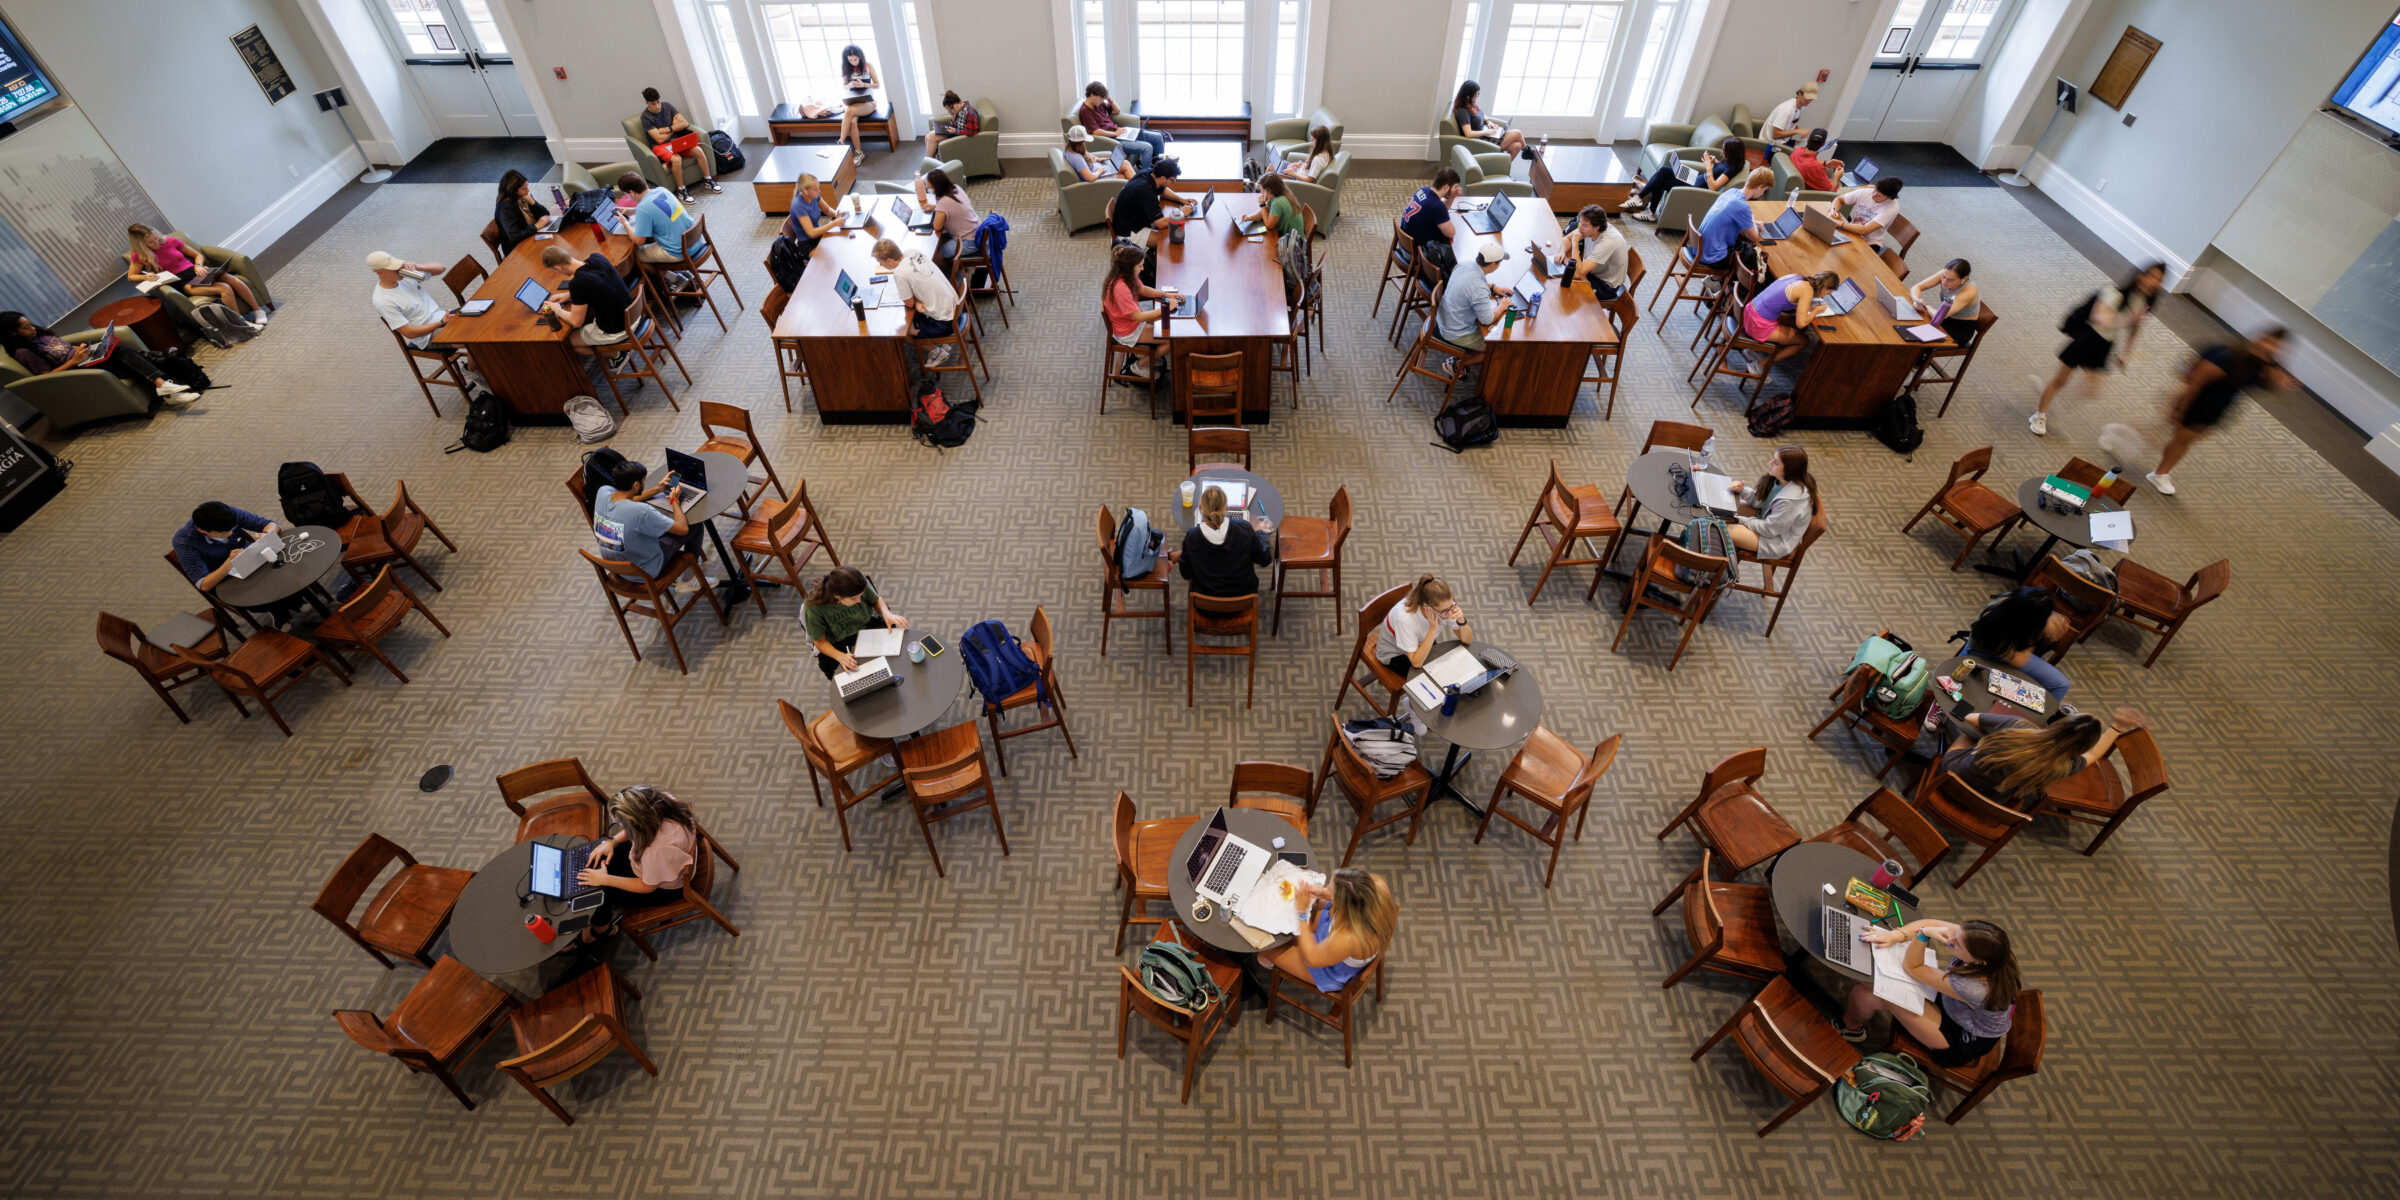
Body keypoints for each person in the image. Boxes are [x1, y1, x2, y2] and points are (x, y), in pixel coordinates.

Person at [1834, 918, 2021, 1067]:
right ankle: (1851, 1025)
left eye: (1957, 944)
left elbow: (1913, 966)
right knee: (1865, 992)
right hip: (1956, 1004)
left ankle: (1850, 1027)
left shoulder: (1972, 988)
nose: (1950, 939)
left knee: (1875, 986)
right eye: (1956, 934)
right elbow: (1932, 921)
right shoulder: (1986, 947)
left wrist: (1923, 935)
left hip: (1960, 1035)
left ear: (1979, 961)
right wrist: (1896, 935)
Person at [2141, 328, 2294, 495]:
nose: (2270, 348)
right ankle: (2159, 473)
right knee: (2181, 440)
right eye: (2268, 342)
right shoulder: (2227, 358)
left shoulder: (2262, 365)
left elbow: (2268, 385)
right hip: (2199, 402)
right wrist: (2180, 409)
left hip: (2218, 407)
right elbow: (2196, 383)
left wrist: (2277, 373)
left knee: (2182, 439)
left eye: (2276, 346)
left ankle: (2149, 451)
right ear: (2258, 338)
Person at [2030, 262, 2164, 436]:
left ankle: (2054, 400)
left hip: (2105, 344)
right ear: (2140, 275)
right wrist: (2129, 319)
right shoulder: (2114, 293)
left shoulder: (2143, 302)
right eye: (2150, 276)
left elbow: (2135, 328)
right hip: (2088, 337)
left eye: (2158, 280)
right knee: (2060, 380)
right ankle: (2039, 415)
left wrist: (2126, 352)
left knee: (2093, 390)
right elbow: (2099, 318)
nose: (2152, 282)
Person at [1935, 707, 2148, 803]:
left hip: (1949, 778)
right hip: (1986, 802)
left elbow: (1971, 718)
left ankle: (1935, 716)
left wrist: (1993, 738)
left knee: (1967, 731)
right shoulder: (2063, 766)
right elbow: (2094, 756)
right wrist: (2117, 727)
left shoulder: (2018, 727)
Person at [575, 785, 700, 938]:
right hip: (658, 862)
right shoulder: (661, 802)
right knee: (599, 858)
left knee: (600, 890)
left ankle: (602, 929)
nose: (619, 826)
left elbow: (647, 887)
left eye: (621, 823)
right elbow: (637, 828)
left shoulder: (655, 851)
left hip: (664, 887)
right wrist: (612, 842)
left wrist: (605, 880)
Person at [1, 311, 193, 405]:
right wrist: (74, 360)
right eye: (26, 327)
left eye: (30, 324)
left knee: (123, 352)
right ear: (13, 333)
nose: (32, 328)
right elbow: (45, 377)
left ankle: (167, 390)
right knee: (125, 353)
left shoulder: (40, 335)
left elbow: (64, 347)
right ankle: (166, 387)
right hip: (79, 371)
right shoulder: (24, 352)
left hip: (85, 358)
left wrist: (80, 348)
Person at [1264, 868, 1397, 996]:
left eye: (1330, 889)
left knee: (1267, 947)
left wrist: (1302, 914)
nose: (1327, 886)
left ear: (1345, 907)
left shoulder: (1348, 938)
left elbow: (1312, 958)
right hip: (1335, 933)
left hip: (1329, 969)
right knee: (1317, 904)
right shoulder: (1377, 887)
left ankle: (1274, 960)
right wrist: (1324, 893)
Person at [126, 225, 266, 323]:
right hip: (183, 283)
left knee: (232, 280)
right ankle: (240, 321)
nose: (157, 242)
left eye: (156, 238)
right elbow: (131, 277)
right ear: (142, 245)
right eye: (151, 242)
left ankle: (258, 310)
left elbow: (197, 255)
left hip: (196, 271)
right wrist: (146, 276)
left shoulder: (170, 241)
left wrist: (198, 265)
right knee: (225, 288)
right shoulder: (139, 256)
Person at [591, 459, 697, 582]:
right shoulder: (640, 511)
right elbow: (683, 529)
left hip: (617, 566)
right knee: (694, 526)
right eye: (643, 481)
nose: (644, 483)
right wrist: (674, 501)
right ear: (636, 485)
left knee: (653, 528)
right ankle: (690, 580)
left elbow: (628, 500)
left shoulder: (603, 492)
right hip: (644, 571)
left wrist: (658, 489)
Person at [1963, 587, 2077, 700]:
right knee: (2059, 685)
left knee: (2062, 684)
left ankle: (2038, 716)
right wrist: (2043, 631)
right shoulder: (1998, 627)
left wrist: (2044, 621)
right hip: (1981, 656)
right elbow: (2020, 660)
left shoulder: (2011, 601)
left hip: (2006, 650)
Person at [804, 566, 909, 677]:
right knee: (849, 677)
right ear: (837, 596)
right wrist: (840, 656)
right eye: (854, 599)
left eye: (861, 596)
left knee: (896, 655)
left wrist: (887, 614)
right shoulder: (814, 608)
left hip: (866, 626)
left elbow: (876, 600)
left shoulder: (858, 585)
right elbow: (820, 642)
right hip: (838, 642)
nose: (859, 601)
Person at [1434, 242, 1508, 397]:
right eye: (1500, 262)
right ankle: (1457, 364)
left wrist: (1493, 287)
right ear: (1494, 264)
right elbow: (1487, 319)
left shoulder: (1464, 265)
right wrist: (1502, 306)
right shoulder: (1479, 290)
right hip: (1455, 332)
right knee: (1494, 349)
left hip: (1444, 318)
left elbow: (1473, 282)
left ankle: (1460, 359)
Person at [538, 245, 633, 365]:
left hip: (618, 329)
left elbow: (576, 322)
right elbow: (599, 283)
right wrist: (569, 295)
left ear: (557, 267)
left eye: (555, 270)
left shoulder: (578, 283)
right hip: (632, 315)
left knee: (569, 343)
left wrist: (557, 309)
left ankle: (617, 355)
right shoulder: (597, 258)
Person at [1176, 483, 1275, 599]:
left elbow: (1186, 573)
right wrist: (1261, 533)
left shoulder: (1192, 536)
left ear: (1201, 507)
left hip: (1205, 603)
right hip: (1243, 600)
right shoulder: (1244, 529)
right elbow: (1265, 559)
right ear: (1226, 507)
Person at [874, 237, 959, 367]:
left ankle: (936, 352)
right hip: (954, 305)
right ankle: (940, 343)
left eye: (881, 262)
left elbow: (909, 303)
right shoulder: (912, 252)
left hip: (946, 321)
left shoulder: (900, 273)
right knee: (915, 317)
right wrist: (918, 299)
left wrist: (915, 299)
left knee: (904, 331)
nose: (881, 266)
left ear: (889, 261)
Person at [1725, 446, 1819, 558]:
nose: (1769, 463)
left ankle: (1716, 567)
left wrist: (1743, 520)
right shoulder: (1779, 480)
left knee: (1722, 531)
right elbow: (1759, 501)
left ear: (1789, 469)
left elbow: (1769, 529)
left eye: (1776, 462)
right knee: (1726, 506)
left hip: (1774, 541)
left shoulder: (1790, 502)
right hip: (1766, 520)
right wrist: (1742, 490)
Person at [1624, 134, 1745, 221]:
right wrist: (1715, 162)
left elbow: (1713, 187)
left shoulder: (1732, 168)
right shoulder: (1729, 162)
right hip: (1695, 177)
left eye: (1724, 150)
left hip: (1696, 186)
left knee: (1661, 180)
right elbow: (1719, 171)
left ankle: (1644, 204)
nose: (1722, 152)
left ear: (1731, 153)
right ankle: (1642, 201)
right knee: (1664, 170)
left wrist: (1708, 166)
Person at [171, 501, 279, 592]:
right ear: (202, 530)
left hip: (252, 558)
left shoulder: (227, 514)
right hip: (227, 578)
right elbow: (203, 584)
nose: (230, 534)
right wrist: (230, 562)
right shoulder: (184, 542)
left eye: (232, 529)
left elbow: (271, 524)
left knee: (281, 570)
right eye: (223, 533)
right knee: (266, 590)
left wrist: (266, 534)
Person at [1741, 270, 1838, 370]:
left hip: (1749, 311)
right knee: (1804, 341)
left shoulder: (1797, 277)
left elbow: (1783, 299)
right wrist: (1816, 311)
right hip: (1758, 325)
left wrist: (1803, 306)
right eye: (1827, 293)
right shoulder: (1807, 290)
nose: (1823, 297)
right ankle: (1760, 365)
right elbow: (1801, 324)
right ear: (1825, 287)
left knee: (1792, 321)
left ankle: (1758, 350)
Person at [1374, 574, 1471, 673]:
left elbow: (1467, 640)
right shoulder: (1404, 619)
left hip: (1420, 640)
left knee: (1446, 667)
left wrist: (1461, 620)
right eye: (1444, 611)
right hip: (1395, 653)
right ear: (1427, 607)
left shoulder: (1444, 607)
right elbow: (1416, 663)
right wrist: (1432, 630)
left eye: (1452, 605)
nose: (1450, 613)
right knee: (1433, 676)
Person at [638, 87, 720, 202]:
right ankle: (681, 190)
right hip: (660, 147)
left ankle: (708, 179)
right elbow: (659, 139)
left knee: (698, 150)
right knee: (677, 159)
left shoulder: (667, 106)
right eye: (653, 104)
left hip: (676, 141)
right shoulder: (645, 117)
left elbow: (685, 123)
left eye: (658, 102)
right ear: (647, 103)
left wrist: (667, 128)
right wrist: (675, 127)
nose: (657, 106)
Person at [1101, 244, 1169, 378]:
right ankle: (1139, 366)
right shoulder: (1120, 289)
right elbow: (1138, 317)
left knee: (1164, 323)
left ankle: (1149, 355)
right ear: (1129, 267)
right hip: (1128, 330)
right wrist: (1165, 308)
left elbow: (1142, 289)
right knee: (1171, 341)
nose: (1142, 268)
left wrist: (1165, 295)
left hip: (1130, 321)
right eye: (1139, 266)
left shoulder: (1126, 276)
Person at [366, 251, 451, 349]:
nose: (399, 269)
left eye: (398, 265)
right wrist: (442, 323)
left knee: (472, 322)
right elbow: (409, 333)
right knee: (470, 340)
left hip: (442, 316)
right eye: (394, 268)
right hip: (428, 336)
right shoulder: (383, 301)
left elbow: (441, 268)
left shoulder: (405, 276)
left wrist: (418, 267)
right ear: (380, 273)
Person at [1696, 167, 1774, 273]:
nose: (1762, 194)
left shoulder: (1732, 192)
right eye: (1764, 190)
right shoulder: (1742, 206)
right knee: (1752, 255)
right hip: (1713, 257)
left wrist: (1751, 220)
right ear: (1759, 187)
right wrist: (1755, 222)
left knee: (1743, 247)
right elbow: (1754, 237)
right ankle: (1722, 283)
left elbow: (1733, 217)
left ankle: (1718, 280)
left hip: (1700, 247)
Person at [618, 173, 705, 267]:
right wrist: (633, 211)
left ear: (631, 192)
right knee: (653, 242)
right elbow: (659, 208)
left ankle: (674, 279)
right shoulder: (662, 190)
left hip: (679, 252)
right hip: (696, 239)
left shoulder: (642, 208)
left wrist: (625, 223)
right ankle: (673, 277)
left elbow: (639, 241)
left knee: (634, 256)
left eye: (626, 194)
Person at [1078, 81, 1169, 170]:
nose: (1102, 100)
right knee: (1147, 147)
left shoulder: (1098, 104)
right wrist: (1115, 134)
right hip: (1113, 140)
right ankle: (1145, 177)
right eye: (1101, 98)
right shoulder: (1085, 111)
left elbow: (1117, 110)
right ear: (1092, 95)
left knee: (1158, 137)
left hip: (1120, 133)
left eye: (1103, 98)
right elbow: (1095, 132)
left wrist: (1109, 99)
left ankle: (1159, 167)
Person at [1109, 158, 1193, 248]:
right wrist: (1182, 213)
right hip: (1128, 232)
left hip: (1128, 220)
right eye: (1172, 180)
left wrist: (1181, 199)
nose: (1173, 183)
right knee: (1170, 239)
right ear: (1163, 178)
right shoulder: (1146, 192)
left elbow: (1162, 190)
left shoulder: (1148, 173)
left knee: (1171, 228)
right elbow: (1160, 223)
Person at [913, 167, 979, 272]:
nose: (930, 189)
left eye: (931, 188)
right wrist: (936, 207)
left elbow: (937, 226)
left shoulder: (944, 202)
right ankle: (954, 265)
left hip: (968, 242)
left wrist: (938, 208)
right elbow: (953, 207)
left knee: (935, 256)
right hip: (975, 231)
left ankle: (953, 276)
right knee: (940, 241)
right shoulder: (956, 188)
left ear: (936, 187)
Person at [1906, 258, 1981, 343]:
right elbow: (1916, 287)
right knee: (1911, 325)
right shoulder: (1947, 274)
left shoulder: (1969, 291)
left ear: (1964, 279)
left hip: (1959, 328)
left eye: (1950, 280)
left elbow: (1939, 316)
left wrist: (1928, 307)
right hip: (1945, 318)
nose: (1944, 282)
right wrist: (1916, 299)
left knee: (1918, 338)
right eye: (1943, 277)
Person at [1568, 205, 1629, 300]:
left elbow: (1579, 273)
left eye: (1584, 226)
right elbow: (1567, 239)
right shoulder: (1589, 229)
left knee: (1570, 290)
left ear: (1596, 227)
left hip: (1605, 285)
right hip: (1593, 272)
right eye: (1580, 224)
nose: (1580, 229)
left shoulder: (1608, 241)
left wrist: (1575, 244)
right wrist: (1561, 253)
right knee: (1566, 276)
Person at [1451, 81, 1526, 157]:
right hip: (1482, 140)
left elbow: (1482, 114)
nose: (1478, 95)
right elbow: (1468, 134)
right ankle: (1527, 151)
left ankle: (1501, 168)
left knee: (1517, 146)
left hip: (1486, 134)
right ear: (1468, 96)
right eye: (1477, 93)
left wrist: (1489, 122)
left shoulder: (1472, 104)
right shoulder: (1463, 111)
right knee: (1517, 133)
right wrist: (1487, 132)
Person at [779, 172, 846, 256]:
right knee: (834, 253)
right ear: (804, 190)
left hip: (818, 236)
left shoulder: (814, 195)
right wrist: (833, 224)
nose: (819, 191)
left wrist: (836, 214)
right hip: (807, 245)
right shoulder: (798, 206)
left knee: (840, 244)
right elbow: (811, 233)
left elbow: (827, 209)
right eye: (815, 189)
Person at [836, 46, 881, 166]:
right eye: (850, 60)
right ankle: (859, 152)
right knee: (852, 122)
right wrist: (850, 85)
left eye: (855, 59)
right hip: (853, 101)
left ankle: (841, 142)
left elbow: (877, 85)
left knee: (849, 111)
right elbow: (844, 86)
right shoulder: (846, 67)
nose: (853, 62)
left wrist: (865, 85)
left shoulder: (868, 65)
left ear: (860, 57)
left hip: (868, 102)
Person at [1834, 176, 1904, 253]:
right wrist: (1833, 211)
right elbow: (1839, 199)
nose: (1873, 195)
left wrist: (1837, 223)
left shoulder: (1892, 207)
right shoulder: (1866, 192)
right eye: (1874, 190)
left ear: (1889, 198)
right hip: (1852, 231)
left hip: (1870, 242)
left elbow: (1865, 230)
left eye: (1879, 195)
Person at [1401, 168, 1463, 253]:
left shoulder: (1424, 190)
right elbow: (1451, 233)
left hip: (1403, 243)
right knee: (1457, 249)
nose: (1457, 189)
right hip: (1415, 253)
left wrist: (1453, 197)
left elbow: (1441, 209)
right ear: (1446, 187)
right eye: (1455, 187)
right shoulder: (1437, 206)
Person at [492, 169, 550, 257]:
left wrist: (533, 203)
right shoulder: (506, 208)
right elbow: (515, 237)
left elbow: (546, 214)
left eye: (527, 186)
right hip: (518, 248)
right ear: (513, 191)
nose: (528, 191)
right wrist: (536, 226)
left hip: (531, 234)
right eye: (524, 188)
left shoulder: (523, 195)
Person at [1062, 125, 1135, 182]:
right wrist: (1099, 171)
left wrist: (1097, 159)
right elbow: (1090, 178)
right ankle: (1139, 189)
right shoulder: (1077, 158)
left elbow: (1085, 158)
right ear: (1081, 142)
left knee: (1125, 163)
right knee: (1124, 177)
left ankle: (1139, 187)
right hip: (1098, 176)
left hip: (1097, 168)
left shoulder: (1070, 148)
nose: (1085, 142)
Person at [924, 90, 980, 159]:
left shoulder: (969, 112)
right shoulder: (960, 110)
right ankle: (931, 163)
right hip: (955, 135)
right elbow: (960, 125)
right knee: (927, 137)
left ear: (955, 106)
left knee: (931, 137)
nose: (950, 113)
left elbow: (972, 132)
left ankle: (927, 165)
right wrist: (953, 119)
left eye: (950, 111)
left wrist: (955, 131)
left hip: (960, 139)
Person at [1763, 83, 1817, 148]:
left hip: (1783, 140)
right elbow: (1775, 134)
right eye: (1807, 97)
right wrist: (1797, 131)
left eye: (1811, 99)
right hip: (1771, 144)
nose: (1809, 101)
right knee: (1804, 152)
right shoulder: (1787, 109)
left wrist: (1802, 131)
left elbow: (1792, 122)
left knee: (1807, 146)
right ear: (1799, 93)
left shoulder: (1801, 106)